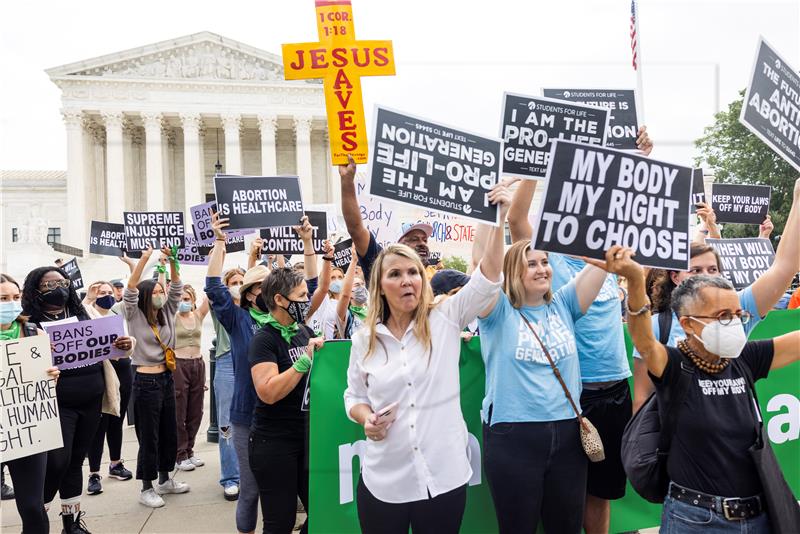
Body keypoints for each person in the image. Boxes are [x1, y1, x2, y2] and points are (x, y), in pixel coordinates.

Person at [343, 182, 510, 534]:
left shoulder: (446, 317)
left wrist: (498, 217)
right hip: (383, 482)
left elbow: (489, 277)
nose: (407, 281)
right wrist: (366, 418)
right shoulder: (364, 341)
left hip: (444, 478)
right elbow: (354, 397)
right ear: (380, 286)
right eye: (395, 274)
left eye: (414, 273)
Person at [607, 251, 800, 532]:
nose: (734, 323)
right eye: (722, 316)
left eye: (737, 314)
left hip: (757, 516)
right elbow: (644, 339)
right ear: (687, 323)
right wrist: (636, 281)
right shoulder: (674, 366)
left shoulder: (745, 359)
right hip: (696, 519)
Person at [477, 236, 613, 533]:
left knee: (566, 527)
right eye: (531, 264)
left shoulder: (563, 303)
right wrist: (493, 216)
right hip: (513, 436)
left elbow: (604, 263)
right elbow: (483, 266)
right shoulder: (497, 310)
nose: (542, 269)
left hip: (568, 435)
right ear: (514, 272)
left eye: (545, 262)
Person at [633, 177, 800, 411]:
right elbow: (642, 399)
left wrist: (799, 197)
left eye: (713, 269)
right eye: (696, 270)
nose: (707, 276)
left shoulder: (740, 317)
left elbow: (784, 268)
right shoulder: (659, 327)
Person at [22, 266, 132, 534]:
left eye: (62, 282)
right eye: (49, 285)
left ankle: (71, 523)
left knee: (75, 461)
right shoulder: (28, 324)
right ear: (35, 290)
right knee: (58, 462)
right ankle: (40, 518)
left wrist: (125, 345)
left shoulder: (82, 314)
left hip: (91, 400)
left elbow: (110, 346)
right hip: (58, 404)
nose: (57, 288)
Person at [249, 267, 323, 534]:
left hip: (305, 437)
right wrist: (303, 362)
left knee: (324, 511)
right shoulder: (264, 340)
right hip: (274, 442)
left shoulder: (302, 331)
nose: (307, 301)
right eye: (301, 296)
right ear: (280, 300)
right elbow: (267, 392)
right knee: (280, 522)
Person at [123, 246, 189, 508]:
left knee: (168, 432)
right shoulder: (134, 313)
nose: (161, 295)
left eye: (162, 292)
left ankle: (165, 479)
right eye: (156, 292)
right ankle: (146, 487)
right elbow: (130, 288)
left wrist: (172, 260)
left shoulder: (168, 312)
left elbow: (176, 286)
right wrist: (144, 259)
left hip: (165, 378)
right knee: (148, 436)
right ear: (146, 296)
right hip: (145, 381)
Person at [1, 273, 61, 534]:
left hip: (26, 430)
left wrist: (51, 376)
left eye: (15, 297)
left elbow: (41, 379)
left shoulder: (33, 331)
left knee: (33, 508)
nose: (11, 304)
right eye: (3, 298)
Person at [338, 155, 433, 283]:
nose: (422, 244)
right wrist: (347, 181)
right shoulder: (382, 265)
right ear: (399, 244)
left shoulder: (436, 282)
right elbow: (356, 230)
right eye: (414, 239)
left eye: (425, 240)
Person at [83, 281, 135, 496]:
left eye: (108, 292)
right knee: (98, 426)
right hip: (102, 373)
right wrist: (88, 297)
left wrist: (129, 343)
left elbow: (131, 340)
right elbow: (80, 313)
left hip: (123, 371)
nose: (105, 296)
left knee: (117, 421)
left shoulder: (118, 314)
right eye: (100, 293)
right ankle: (94, 473)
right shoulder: (87, 314)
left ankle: (116, 463)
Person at [211, 267, 245, 501]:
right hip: (225, 363)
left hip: (249, 362)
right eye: (234, 281)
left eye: (242, 281)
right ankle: (231, 478)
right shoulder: (220, 307)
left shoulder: (253, 306)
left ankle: (250, 473)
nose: (238, 284)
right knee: (226, 424)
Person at [173, 284, 210, 471]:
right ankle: (179, 454)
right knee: (179, 410)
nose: (182, 302)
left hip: (197, 364)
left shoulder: (198, 316)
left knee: (196, 411)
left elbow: (212, 295)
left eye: (186, 299)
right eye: (179, 298)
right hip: (178, 364)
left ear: (193, 300)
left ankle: (190, 450)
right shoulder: (172, 317)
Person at [335, 246, 367, 339]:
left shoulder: (374, 311)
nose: (361, 287)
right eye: (357, 285)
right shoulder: (346, 316)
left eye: (362, 284)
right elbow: (344, 295)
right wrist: (354, 260)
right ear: (350, 292)